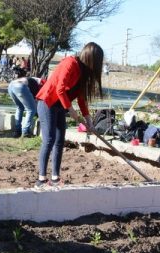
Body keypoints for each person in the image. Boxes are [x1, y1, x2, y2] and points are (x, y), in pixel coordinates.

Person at [35, 42, 104, 187]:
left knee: (60, 140)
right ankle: (41, 179)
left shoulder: (84, 73)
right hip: (48, 102)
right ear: (91, 58)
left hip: (60, 106)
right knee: (49, 139)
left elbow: (81, 98)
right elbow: (60, 89)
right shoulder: (70, 63)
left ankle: (55, 178)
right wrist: (71, 110)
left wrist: (88, 119)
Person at [8, 72, 43, 138]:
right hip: (21, 86)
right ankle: (25, 132)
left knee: (20, 107)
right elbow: (37, 100)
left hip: (11, 85)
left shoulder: (32, 80)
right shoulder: (40, 85)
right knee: (31, 109)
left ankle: (17, 131)